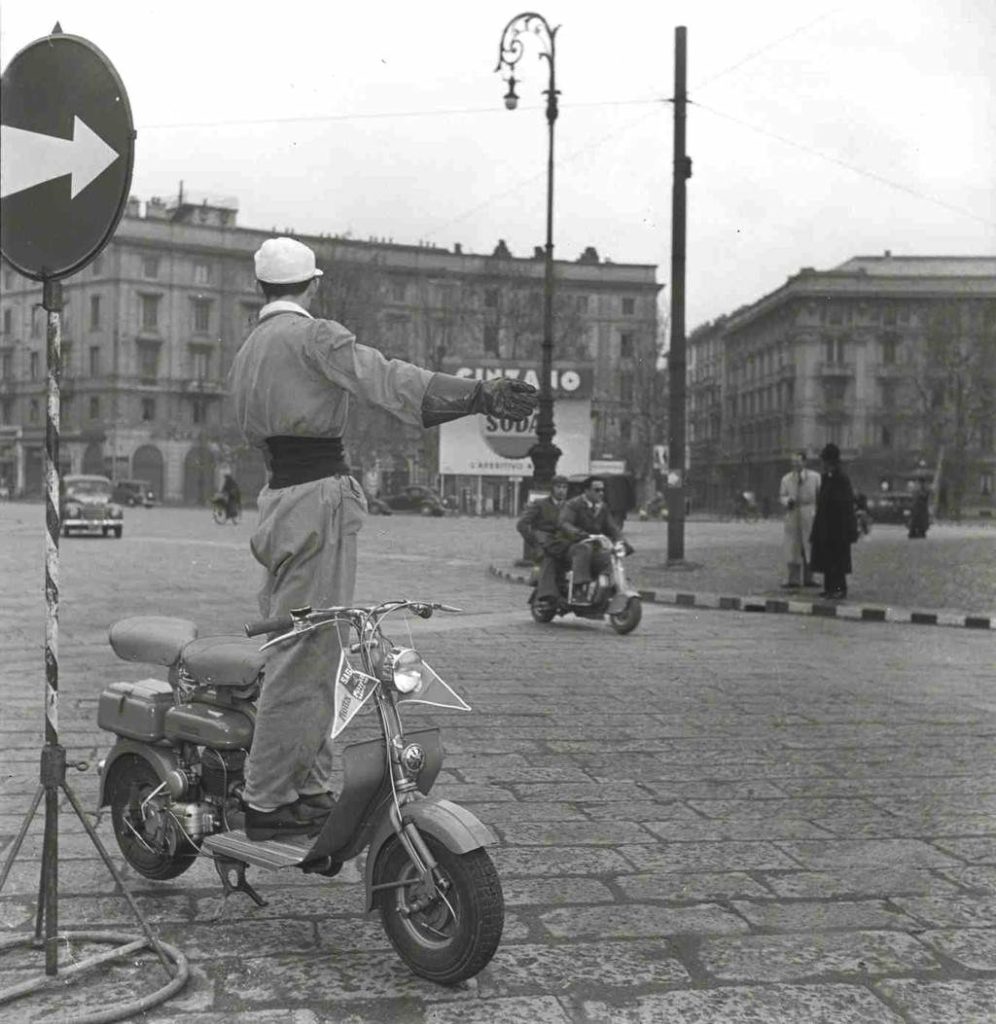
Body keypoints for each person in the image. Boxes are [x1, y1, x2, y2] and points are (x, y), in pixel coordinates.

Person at [227, 237, 537, 840]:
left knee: (312, 642)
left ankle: (305, 787)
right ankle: (267, 797)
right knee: (309, 651)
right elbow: (386, 379)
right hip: (318, 497)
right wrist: (479, 395)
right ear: (311, 285)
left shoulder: (250, 348)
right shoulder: (313, 336)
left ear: (262, 288)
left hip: (278, 498)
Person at [558, 476, 623, 602]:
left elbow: (612, 527)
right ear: (586, 491)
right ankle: (579, 589)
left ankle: (606, 588)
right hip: (571, 546)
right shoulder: (573, 504)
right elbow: (564, 524)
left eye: (602, 490)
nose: (601, 493)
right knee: (584, 549)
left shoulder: (602, 507)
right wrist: (581, 534)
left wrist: (621, 541)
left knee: (609, 555)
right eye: (597, 490)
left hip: (594, 546)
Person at [809, 443, 859, 600]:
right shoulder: (825, 478)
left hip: (838, 528)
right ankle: (829, 588)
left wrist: (848, 529)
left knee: (838, 559)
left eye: (824, 461)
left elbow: (845, 505)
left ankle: (839, 588)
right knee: (827, 558)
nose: (822, 464)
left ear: (830, 462)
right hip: (826, 526)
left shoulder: (841, 479)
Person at [516, 475, 571, 607]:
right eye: (558, 487)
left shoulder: (570, 507)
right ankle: (549, 595)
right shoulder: (540, 504)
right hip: (544, 545)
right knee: (550, 558)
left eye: (564, 487)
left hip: (562, 545)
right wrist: (535, 544)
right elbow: (521, 524)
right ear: (552, 488)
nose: (561, 490)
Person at [778, 450, 821, 588]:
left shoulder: (815, 477)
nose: (795, 464)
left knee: (809, 547)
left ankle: (809, 578)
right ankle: (793, 579)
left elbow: (820, 494)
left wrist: (818, 512)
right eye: (793, 462)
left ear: (804, 461)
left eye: (798, 461)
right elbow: (782, 495)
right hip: (793, 513)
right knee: (793, 547)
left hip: (809, 513)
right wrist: (787, 501)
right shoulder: (786, 478)